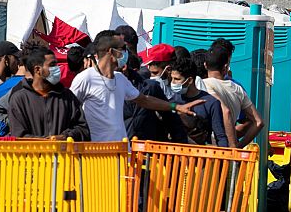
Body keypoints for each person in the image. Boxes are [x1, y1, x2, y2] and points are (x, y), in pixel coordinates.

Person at [70, 31, 201, 142]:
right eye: (123, 48)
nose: (126, 53)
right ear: (111, 52)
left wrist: (175, 106)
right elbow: (69, 108)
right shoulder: (85, 78)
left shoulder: (120, 79)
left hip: (122, 152)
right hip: (96, 155)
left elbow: (144, 100)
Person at [8, 46, 90, 141]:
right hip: (33, 155)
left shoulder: (68, 97)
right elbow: (18, 136)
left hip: (63, 155)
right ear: (37, 70)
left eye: (56, 64)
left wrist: (66, 136)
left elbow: (83, 130)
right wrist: (48, 142)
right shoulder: (19, 99)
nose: (57, 68)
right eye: (52, 65)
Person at [122, 47, 188, 143]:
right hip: (115, 152)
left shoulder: (149, 88)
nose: (153, 77)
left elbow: (172, 121)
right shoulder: (104, 89)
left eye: (155, 73)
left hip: (148, 152)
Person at [203, 46, 265, 147]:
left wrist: (232, 147)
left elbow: (225, 112)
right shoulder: (237, 88)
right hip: (230, 149)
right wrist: (238, 146)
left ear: (205, 65)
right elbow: (259, 122)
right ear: (226, 66)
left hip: (213, 148)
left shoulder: (203, 85)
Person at [169, 57, 229, 147]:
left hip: (200, 157)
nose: (173, 83)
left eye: (177, 79)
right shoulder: (172, 101)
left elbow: (220, 136)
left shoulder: (211, 103)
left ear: (189, 80)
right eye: (172, 78)